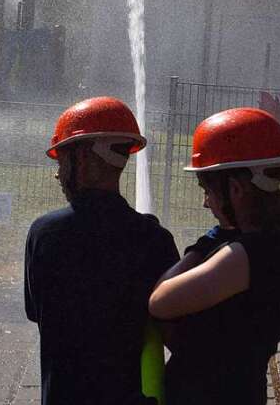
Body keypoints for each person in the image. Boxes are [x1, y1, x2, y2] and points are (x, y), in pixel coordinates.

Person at [149, 106, 280, 405]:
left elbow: (160, 301)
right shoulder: (278, 242)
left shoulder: (244, 256)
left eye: (207, 190)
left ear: (236, 189)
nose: (205, 203)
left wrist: (205, 244)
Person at [25, 96, 179, 405]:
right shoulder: (154, 239)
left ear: (81, 158)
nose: (58, 175)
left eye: (62, 163)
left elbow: (34, 312)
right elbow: (177, 332)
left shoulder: (45, 234)